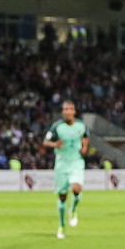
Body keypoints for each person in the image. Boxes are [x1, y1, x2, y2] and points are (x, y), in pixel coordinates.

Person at [42, 100, 88, 238]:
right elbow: (45, 142)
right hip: (61, 165)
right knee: (62, 196)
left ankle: (73, 210)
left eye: (70, 109)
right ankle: (62, 225)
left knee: (76, 188)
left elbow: (85, 137)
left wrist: (85, 147)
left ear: (74, 111)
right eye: (65, 109)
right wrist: (55, 144)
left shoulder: (81, 125)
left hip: (76, 163)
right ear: (62, 112)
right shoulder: (57, 126)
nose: (68, 111)